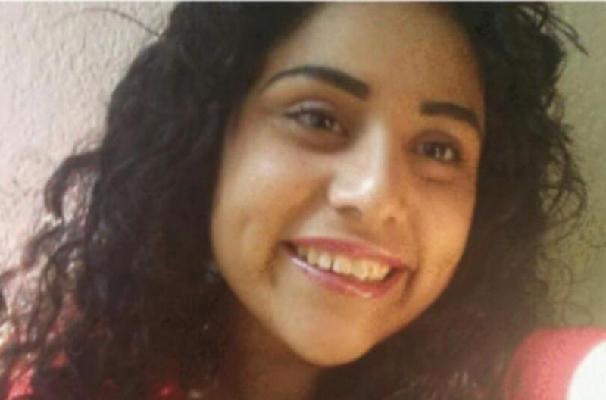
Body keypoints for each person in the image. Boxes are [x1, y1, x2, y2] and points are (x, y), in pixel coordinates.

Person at [0, 3, 586, 399]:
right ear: (207, 141)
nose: (374, 194)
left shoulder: (522, 380)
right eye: (317, 118)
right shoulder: (65, 384)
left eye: (438, 149)